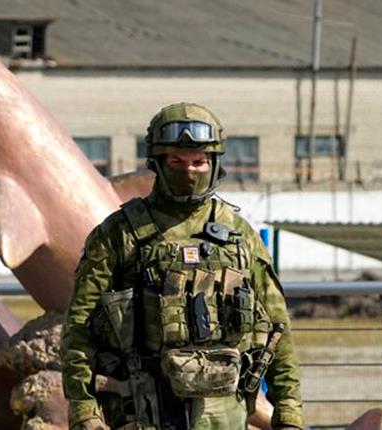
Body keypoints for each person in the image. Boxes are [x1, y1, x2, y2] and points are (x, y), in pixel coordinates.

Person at [62, 103, 304, 430]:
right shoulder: (119, 234)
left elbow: (277, 328)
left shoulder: (239, 236)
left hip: (225, 413)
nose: (189, 171)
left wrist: (288, 412)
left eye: (199, 162)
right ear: (157, 164)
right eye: (177, 161)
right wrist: (83, 410)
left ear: (214, 164)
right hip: (141, 411)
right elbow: (80, 326)